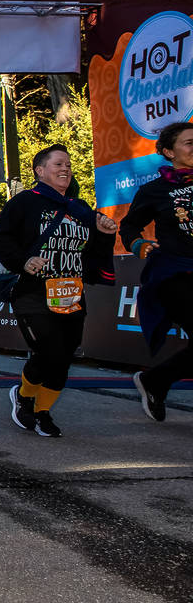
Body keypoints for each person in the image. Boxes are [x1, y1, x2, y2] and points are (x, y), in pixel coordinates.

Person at [0, 144, 117, 437]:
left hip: (70, 293)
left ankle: (43, 410)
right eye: (58, 164)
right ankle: (23, 396)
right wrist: (24, 261)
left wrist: (107, 234)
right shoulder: (23, 203)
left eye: (69, 165)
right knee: (48, 350)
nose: (65, 170)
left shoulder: (81, 209)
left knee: (63, 357)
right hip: (32, 292)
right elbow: (1, 239)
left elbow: (93, 249)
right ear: (40, 170)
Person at [120, 122, 193, 422]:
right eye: (189, 143)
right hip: (176, 275)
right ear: (168, 151)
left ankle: (155, 381)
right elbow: (129, 226)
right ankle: (155, 381)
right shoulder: (156, 190)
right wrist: (138, 244)